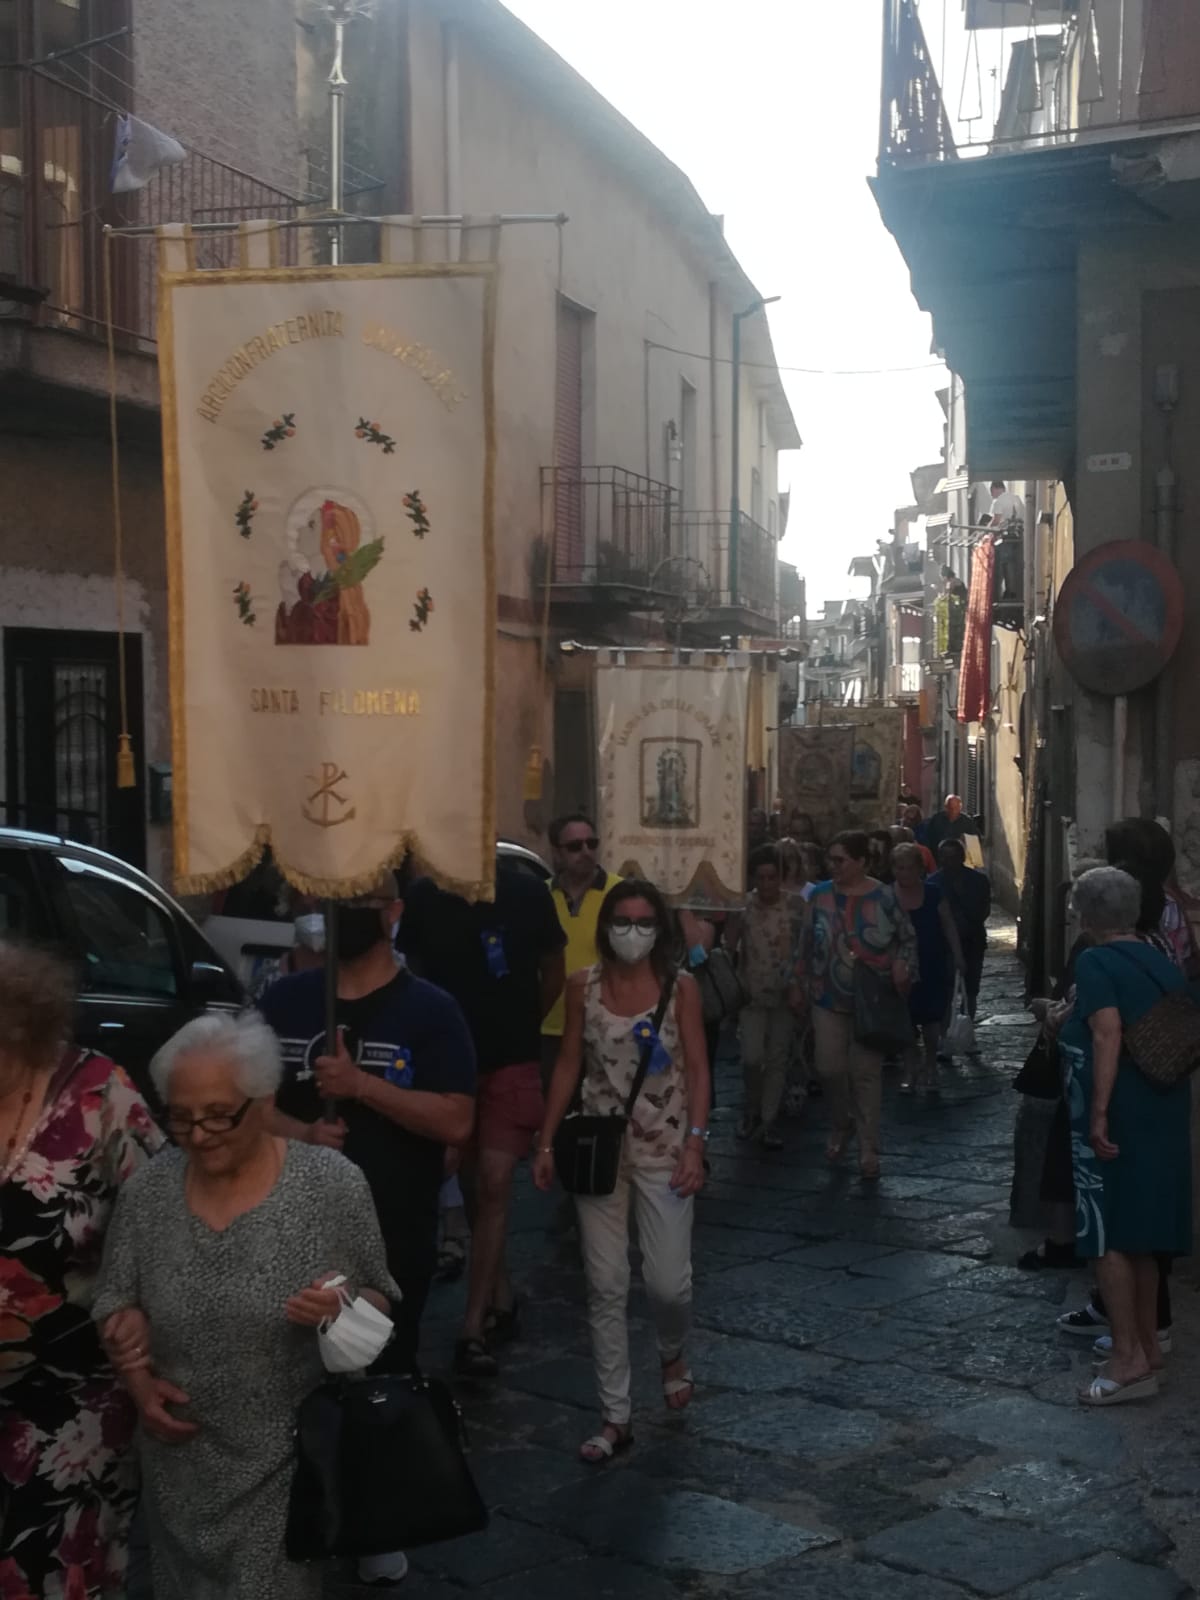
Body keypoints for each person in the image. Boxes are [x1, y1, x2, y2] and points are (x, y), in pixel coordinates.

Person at [94, 1013, 400, 1599]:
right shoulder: (149, 1193)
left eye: (218, 1115)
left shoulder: (330, 1185)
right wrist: (135, 1372)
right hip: (179, 1463)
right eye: (181, 1117)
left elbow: (379, 1303)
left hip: (286, 1462)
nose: (198, 1134)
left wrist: (340, 1304)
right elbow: (116, 1297)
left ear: (264, 1103)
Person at [257, 869, 475, 1588]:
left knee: (376, 1364)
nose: (346, 914)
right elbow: (248, 1105)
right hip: (288, 1220)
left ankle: (375, 1521)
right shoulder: (284, 1002)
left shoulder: (431, 1010)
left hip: (391, 1224)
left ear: (394, 911)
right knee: (289, 1369)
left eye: (362, 903)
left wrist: (363, 1089)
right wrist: (301, 1133)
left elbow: (456, 1119)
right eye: (336, 902)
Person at [0, 943, 162, 1600]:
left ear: (20, 1026)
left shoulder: (100, 1094)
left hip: (74, 1396)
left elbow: (164, 1226)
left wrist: (140, 1322)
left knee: (57, 1575)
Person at [534, 880, 710, 1464]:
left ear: (660, 929)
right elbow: (568, 1064)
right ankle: (615, 1415)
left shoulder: (680, 989)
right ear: (606, 926)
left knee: (668, 1284)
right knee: (605, 1283)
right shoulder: (582, 986)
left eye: (644, 922)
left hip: (667, 1150)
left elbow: (699, 1069)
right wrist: (546, 1141)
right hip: (599, 1150)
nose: (632, 932)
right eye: (623, 920)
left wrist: (696, 1145)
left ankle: (671, 1349)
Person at [399, 859, 566, 1378]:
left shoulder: (528, 892)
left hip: (511, 1059)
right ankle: (500, 1291)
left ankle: (472, 1326)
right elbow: (413, 972)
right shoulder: (425, 896)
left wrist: (523, 1023)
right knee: (472, 1186)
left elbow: (554, 968)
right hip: (451, 1064)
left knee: (494, 1182)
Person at [1056, 868, 1192, 1406]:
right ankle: (1146, 1349)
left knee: (1107, 1233)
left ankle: (1127, 1359)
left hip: (1121, 1113)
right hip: (1162, 1109)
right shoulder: (1161, 959)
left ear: (1087, 915)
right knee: (1141, 1234)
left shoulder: (1096, 962)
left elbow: (1107, 1032)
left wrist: (1098, 1113)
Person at [796, 830, 917, 1179]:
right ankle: (841, 1121)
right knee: (828, 1067)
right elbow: (806, 940)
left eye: (841, 860)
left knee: (866, 1075)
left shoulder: (885, 896)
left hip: (871, 998)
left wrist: (903, 964)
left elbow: (907, 938)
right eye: (830, 859)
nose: (833, 866)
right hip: (826, 995)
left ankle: (868, 1146)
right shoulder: (819, 896)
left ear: (862, 861)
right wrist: (797, 979)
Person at [542, 815, 623, 1089]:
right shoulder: (540, 896)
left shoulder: (620, 893)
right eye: (575, 846)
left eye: (592, 843)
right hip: (551, 1027)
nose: (586, 852)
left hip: (606, 1026)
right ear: (557, 852)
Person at [728, 845, 801, 1149]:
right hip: (751, 993)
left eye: (772, 877)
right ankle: (752, 1108)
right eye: (761, 877)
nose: (767, 883)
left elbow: (804, 947)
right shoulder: (742, 906)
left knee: (777, 1059)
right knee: (752, 1057)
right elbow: (730, 946)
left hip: (785, 992)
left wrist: (799, 985)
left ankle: (767, 1120)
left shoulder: (796, 906)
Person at [891, 843, 963, 1094]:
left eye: (909, 868)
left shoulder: (933, 893)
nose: (904, 873)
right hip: (899, 964)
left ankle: (930, 1064)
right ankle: (910, 1067)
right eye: (899, 868)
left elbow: (948, 924)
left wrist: (958, 955)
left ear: (920, 869)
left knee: (932, 1018)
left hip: (931, 961)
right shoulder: (886, 895)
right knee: (904, 1019)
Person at [931, 838, 991, 1027]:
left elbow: (984, 909)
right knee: (945, 989)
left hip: (973, 941)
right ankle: (945, 1031)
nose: (949, 862)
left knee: (971, 989)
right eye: (945, 857)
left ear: (962, 857)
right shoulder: (933, 883)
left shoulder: (979, 881)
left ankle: (967, 1028)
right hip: (943, 945)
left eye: (953, 857)